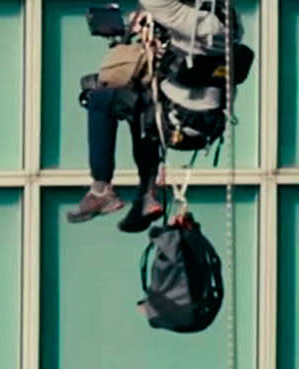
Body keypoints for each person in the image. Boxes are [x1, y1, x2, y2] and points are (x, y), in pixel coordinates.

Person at [69, 0, 234, 228]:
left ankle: (100, 189)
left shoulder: (173, 12)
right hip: (203, 124)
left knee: (97, 99)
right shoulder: (227, 23)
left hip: (172, 119)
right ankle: (146, 195)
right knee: (141, 100)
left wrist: (143, 18)